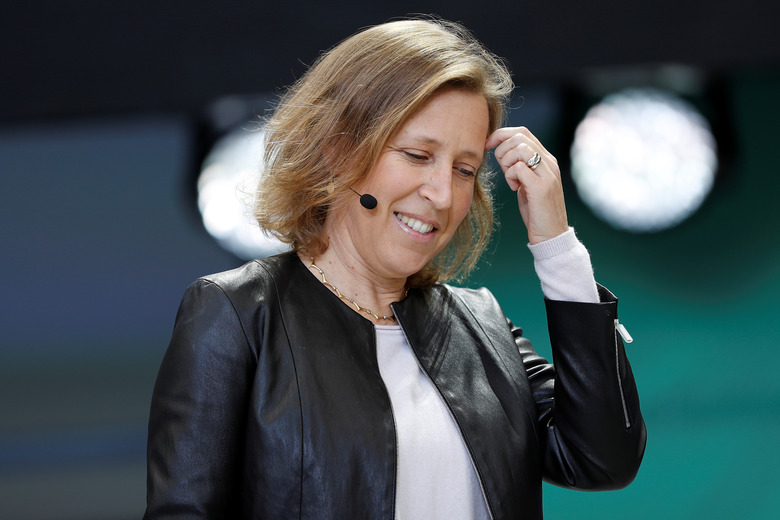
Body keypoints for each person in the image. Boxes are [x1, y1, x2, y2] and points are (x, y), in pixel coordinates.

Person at [144, 18, 646, 520]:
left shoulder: (484, 327)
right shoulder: (234, 314)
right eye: (417, 155)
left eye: (464, 169)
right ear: (336, 148)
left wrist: (556, 243)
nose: (443, 195)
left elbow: (604, 460)